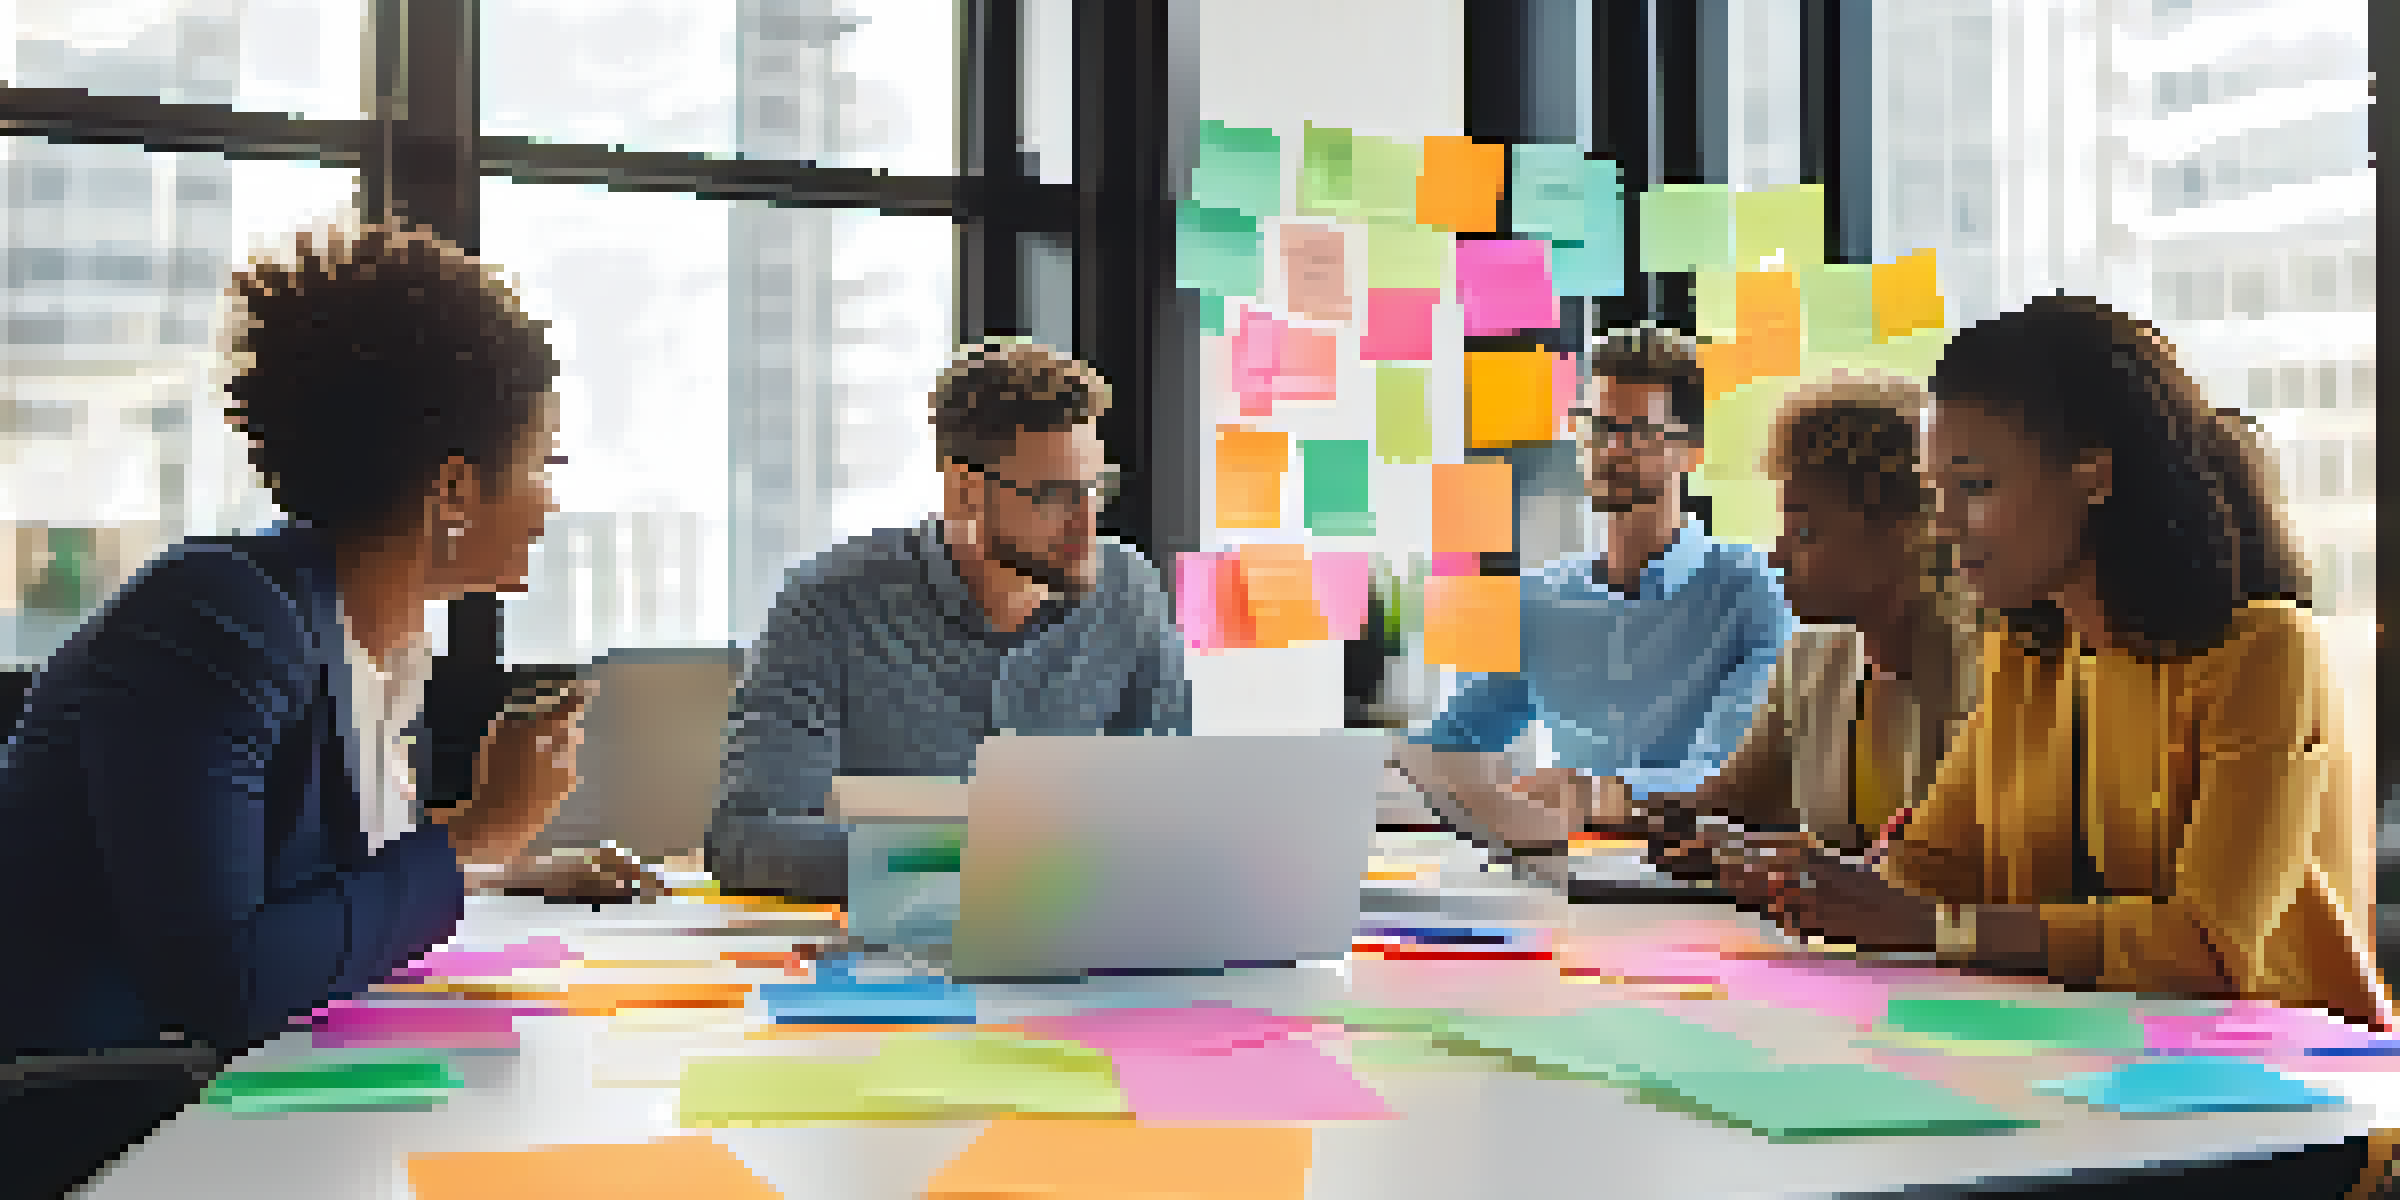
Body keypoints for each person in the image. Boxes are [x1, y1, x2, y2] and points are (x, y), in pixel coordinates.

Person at [0, 225, 586, 1196]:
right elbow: (223, 981)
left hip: (232, 1099)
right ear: (453, 487)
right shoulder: (218, 617)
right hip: (96, 1113)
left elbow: (322, 894)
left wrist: (507, 860)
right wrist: (479, 834)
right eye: (543, 466)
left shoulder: (371, 645)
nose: (549, 504)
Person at [1712, 295, 2391, 1031]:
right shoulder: (2032, 657)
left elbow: (2209, 948)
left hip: (2289, 1095)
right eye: (1940, 492)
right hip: (2097, 1068)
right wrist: (1810, 882)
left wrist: (1943, 929)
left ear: (2094, 475)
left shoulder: (2264, 654)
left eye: (1975, 488)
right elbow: (1934, 866)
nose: (1944, 527)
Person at [706, 341, 1191, 901]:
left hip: (1077, 955)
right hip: (887, 970)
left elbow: (1164, 822)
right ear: (965, 492)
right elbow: (747, 843)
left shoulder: (1129, 592)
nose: (1086, 526)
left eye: (1094, 488)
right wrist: (982, 864)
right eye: (1052, 497)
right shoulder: (828, 602)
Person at [1392, 324, 1794, 862]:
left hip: (1699, 874)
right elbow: (1452, 742)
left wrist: (1598, 792)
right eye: (1597, 426)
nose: (1610, 448)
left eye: (1638, 432)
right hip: (1569, 869)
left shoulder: (1750, 589)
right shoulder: (1539, 600)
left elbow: (1731, 772)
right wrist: (1377, 763)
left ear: (1691, 453)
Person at [1621, 373, 1979, 870]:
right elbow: (1722, 805)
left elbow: (1970, 869)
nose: (1777, 554)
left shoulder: (1988, 670)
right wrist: (1612, 800)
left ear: (1908, 529)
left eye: (1807, 530)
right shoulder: (1814, 662)